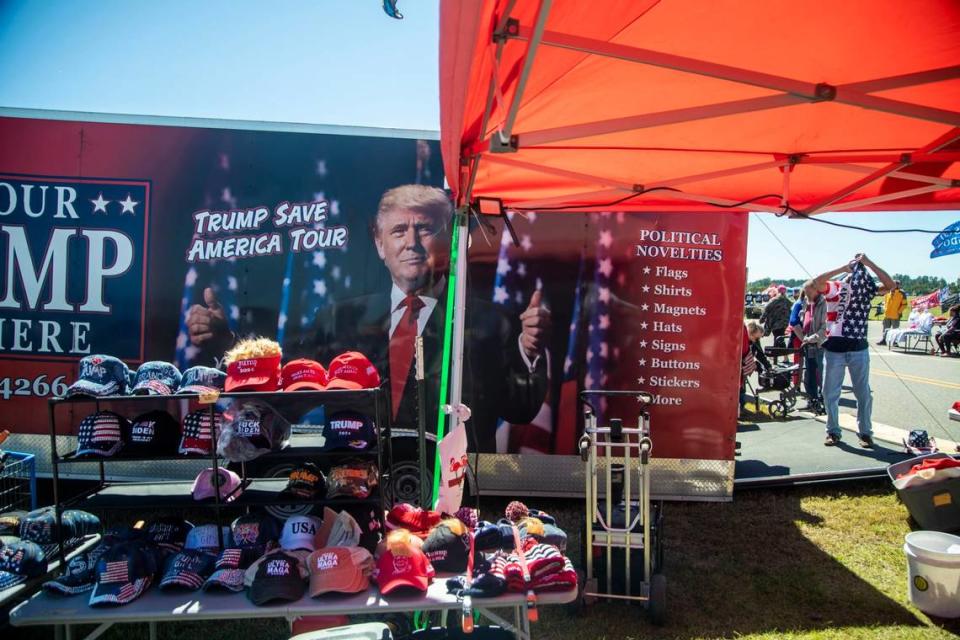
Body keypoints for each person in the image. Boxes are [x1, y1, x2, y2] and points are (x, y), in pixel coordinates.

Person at [306, 185, 550, 453]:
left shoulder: (493, 324)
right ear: (379, 244)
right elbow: (298, 404)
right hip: (359, 484)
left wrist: (529, 352)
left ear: (449, 240)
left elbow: (520, 411)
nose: (412, 243)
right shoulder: (337, 321)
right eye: (399, 231)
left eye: (424, 229)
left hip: (454, 486)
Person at [804, 254, 894, 447]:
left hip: (858, 348)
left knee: (863, 394)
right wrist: (843, 268)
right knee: (829, 393)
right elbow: (815, 283)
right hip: (834, 348)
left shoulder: (867, 290)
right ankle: (833, 431)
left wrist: (870, 263)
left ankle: (865, 433)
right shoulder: (837, 288)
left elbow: (890, 285)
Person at [799, 282, 826, 412]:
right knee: (809, 375)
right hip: (808, 344)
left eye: (808, 292)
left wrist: (812, 338)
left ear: (816, 290)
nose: (806, 294)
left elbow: (825, 328)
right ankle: (812, 400)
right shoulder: (807, 302)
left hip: (820, 345)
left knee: (822, 375)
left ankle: (823, 402)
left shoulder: (824, 303)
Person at [740, 321, 771, 410]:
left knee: (742, 387)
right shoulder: (743, 337)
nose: (756, 340)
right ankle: (740, 407)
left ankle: (742, 406)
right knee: (740, 387)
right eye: (756, 338)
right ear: (751, 333)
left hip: (744, 366)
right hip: (739, 366)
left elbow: (760, 354)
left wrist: (767, 366)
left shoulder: (754, 341)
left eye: (758, 338)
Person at [877, 280, 907, 345]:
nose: (896, 285)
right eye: (895, 284)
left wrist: (898, 312)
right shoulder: (888, 291)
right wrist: (885, 308)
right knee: (885, 329)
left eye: (898, 284)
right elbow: (885, 301)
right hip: (887, 314)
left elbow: (904, 304)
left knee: (895, 330)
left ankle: (895, 342)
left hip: (895, 315)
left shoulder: (902, 293)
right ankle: (884, 340)